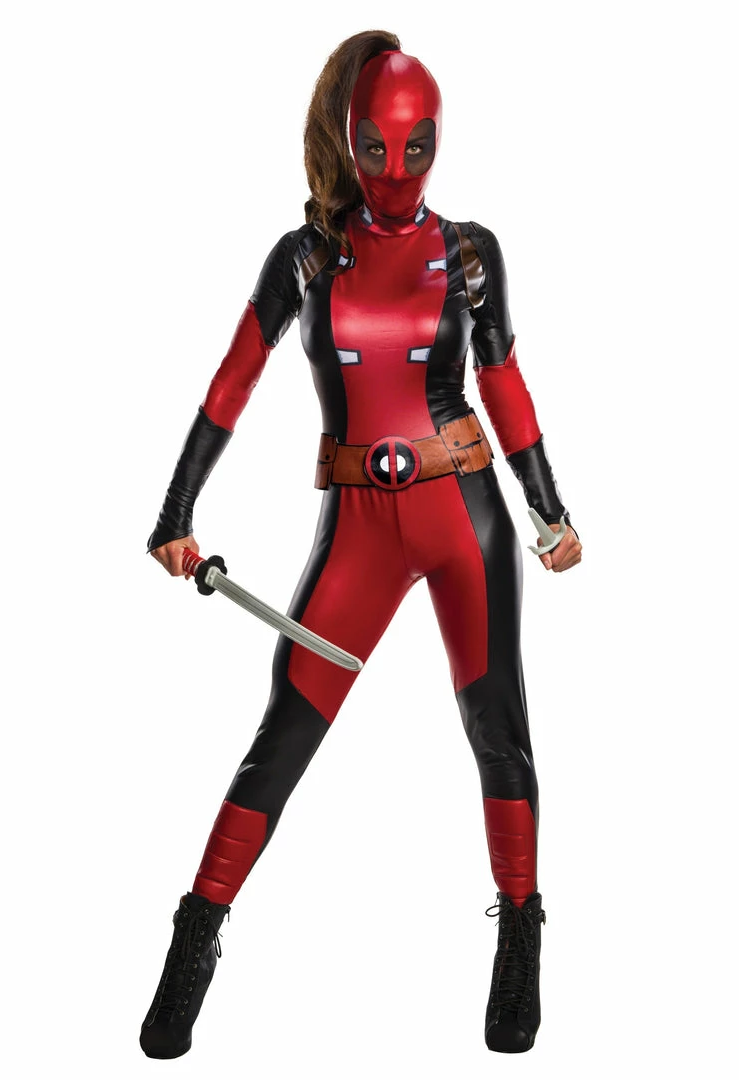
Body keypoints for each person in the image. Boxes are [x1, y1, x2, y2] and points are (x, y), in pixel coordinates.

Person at [139, 29, 582, 1060]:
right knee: (282, 738)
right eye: (375, 149)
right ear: (348, 139)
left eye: (414, 148)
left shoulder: (470, 251)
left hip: (463, 511)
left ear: (438, 141)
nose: (393, 170)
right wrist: (176, 510)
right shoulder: (305, 256)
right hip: (359, 530)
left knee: (499, 727)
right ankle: (195, 936)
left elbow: (504, 382)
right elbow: (232, 381)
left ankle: (520, 932)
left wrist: (548, 511)